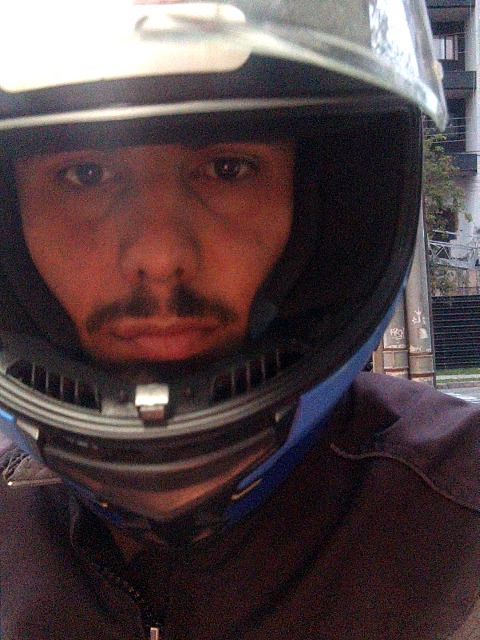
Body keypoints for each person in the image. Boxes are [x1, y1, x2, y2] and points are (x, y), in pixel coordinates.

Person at [0, 1, 478, 638]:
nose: (159, 257)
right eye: (83, 174)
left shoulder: (460, 510)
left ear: (335, 208)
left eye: (228, 170)